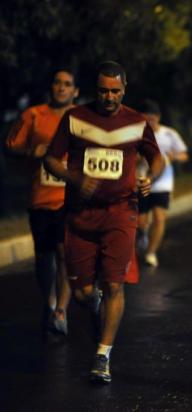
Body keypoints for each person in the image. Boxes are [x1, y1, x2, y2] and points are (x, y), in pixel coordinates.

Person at [44, 61, 164, 383]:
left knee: (113, 283)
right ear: (95, 89)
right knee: (83, 293)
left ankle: (102, 355)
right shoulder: (75, 118)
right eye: (102, 90)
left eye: (115, 91)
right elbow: (51, 159)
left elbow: (157, 157)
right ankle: (94, 303)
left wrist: (149, 178)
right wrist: (74, 177)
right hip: (80, 215)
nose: (108, 96)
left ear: (124, 90)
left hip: (121, 212)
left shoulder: (137, 121)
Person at [5, 69, 79, 336]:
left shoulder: (83, 119)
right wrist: (29, 151)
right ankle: (48, 303)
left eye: (67, 84)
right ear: (52, 87)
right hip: (40, 198)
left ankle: (61, 310)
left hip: (70, 200)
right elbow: (9, 146)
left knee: (64, 252)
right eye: (57, 83)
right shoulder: (34, 115)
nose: (61, 88)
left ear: (75, 91)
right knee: (43, 257)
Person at [136, 99, 189, 267]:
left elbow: (184, 155)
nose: (150, 122)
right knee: (140, 222)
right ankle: (143, 234)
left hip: (163, 184)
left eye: (152, 118)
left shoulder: (169, 134)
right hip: (143, 181)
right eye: (146, 119)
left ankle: (151, 252)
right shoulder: (137, 134)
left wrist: (173, 157)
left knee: (159, 218)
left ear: (158, 117)